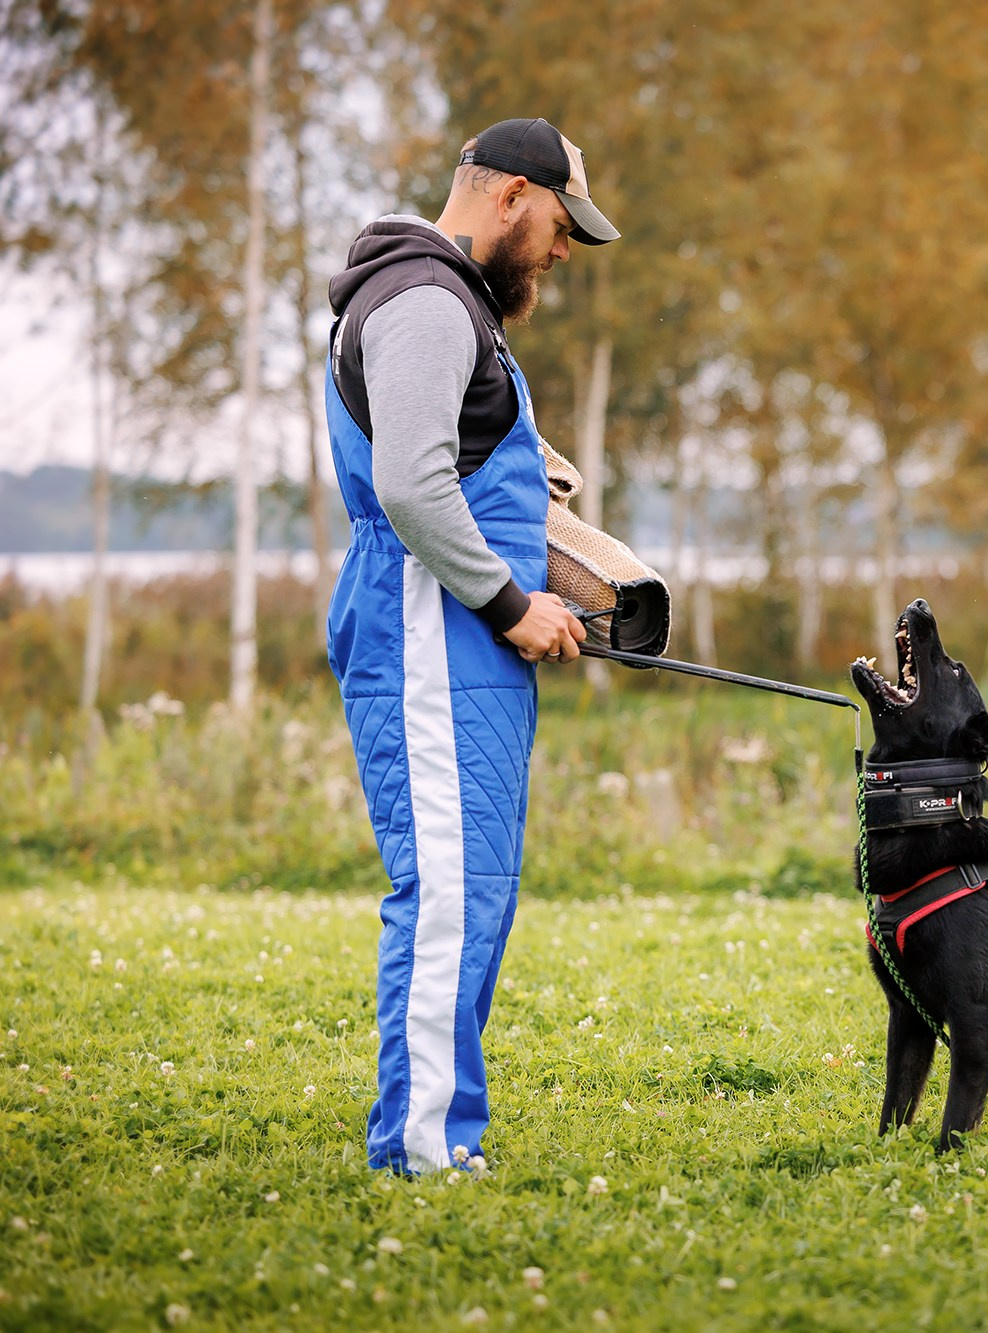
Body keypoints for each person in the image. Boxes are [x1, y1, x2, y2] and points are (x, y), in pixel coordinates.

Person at [324, 118, 619, 1173]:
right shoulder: (424, 302)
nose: (559, 253)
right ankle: (422, 1148)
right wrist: (508, 602)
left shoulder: (453, 308)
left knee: (474, 883)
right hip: (431, 632)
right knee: (449, 889)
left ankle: (436, 1135)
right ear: (507, 199)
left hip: (456, 642)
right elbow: (409, 484)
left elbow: (453, 463)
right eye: (555, 227)